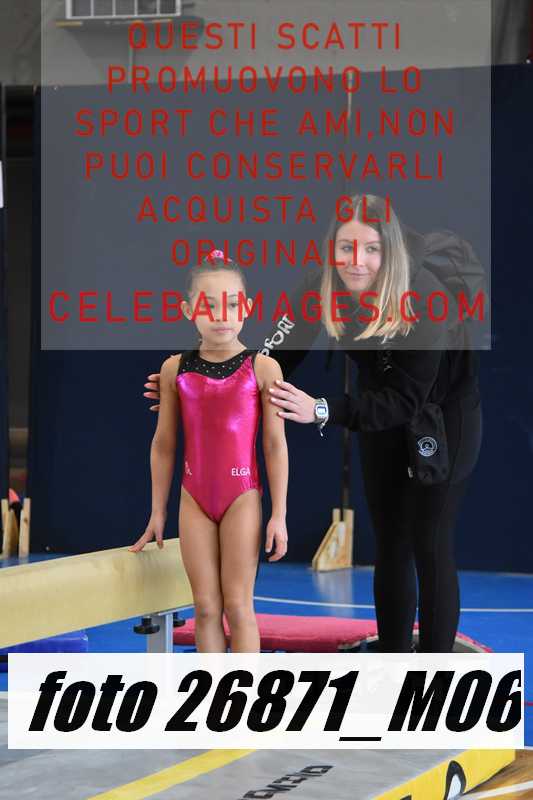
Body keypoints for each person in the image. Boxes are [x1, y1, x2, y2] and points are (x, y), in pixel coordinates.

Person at [144, 195, 483, 653]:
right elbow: (270, 359)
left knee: (430, 540)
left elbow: (406, 400)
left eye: (371, 249)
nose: (356, 261)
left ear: (389, 250)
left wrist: (321, 409)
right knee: (391, 542)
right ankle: (394, 663)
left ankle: (434, 675)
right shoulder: (320, 286)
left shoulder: (424, 298)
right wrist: (205, 384)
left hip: (442, 415)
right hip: (375, 407)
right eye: (345, 248)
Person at [130, 251, 289, 654]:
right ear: (188, 311)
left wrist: (279, 514)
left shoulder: (263, 368)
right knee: (205, 608)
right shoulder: (175, 369)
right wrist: (157, 511)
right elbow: (164, 443)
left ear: (247, 308)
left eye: (232, 304)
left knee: (238, 606)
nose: (221, 315)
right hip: (194, 498)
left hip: (242, 496)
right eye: (208, 305)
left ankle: (246, 692)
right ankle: (214, 692)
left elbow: (274, 444)